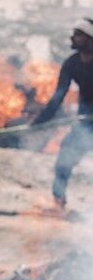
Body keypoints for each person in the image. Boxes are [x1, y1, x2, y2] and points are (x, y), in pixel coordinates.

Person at [32, 18, 93, 208]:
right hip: (85, 120)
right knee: (65, 158)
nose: (72, 38)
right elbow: (59, 95)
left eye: (78, 35)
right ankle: (59, 201)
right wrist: (40, 120)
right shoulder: (71, 64)